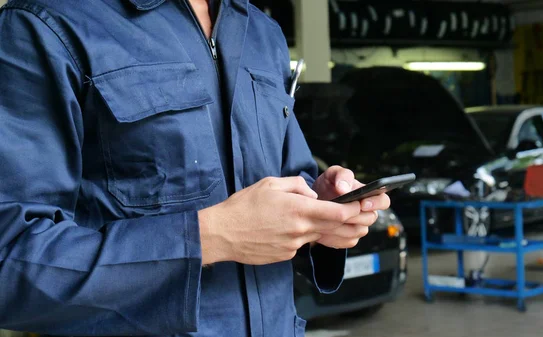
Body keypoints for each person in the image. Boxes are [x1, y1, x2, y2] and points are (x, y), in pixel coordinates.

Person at [0, 0, 390, 336]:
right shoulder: (49, 23)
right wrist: (211, 237)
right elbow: (11, 260)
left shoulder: (260, 30)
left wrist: (321, 211)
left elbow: (287, 180)